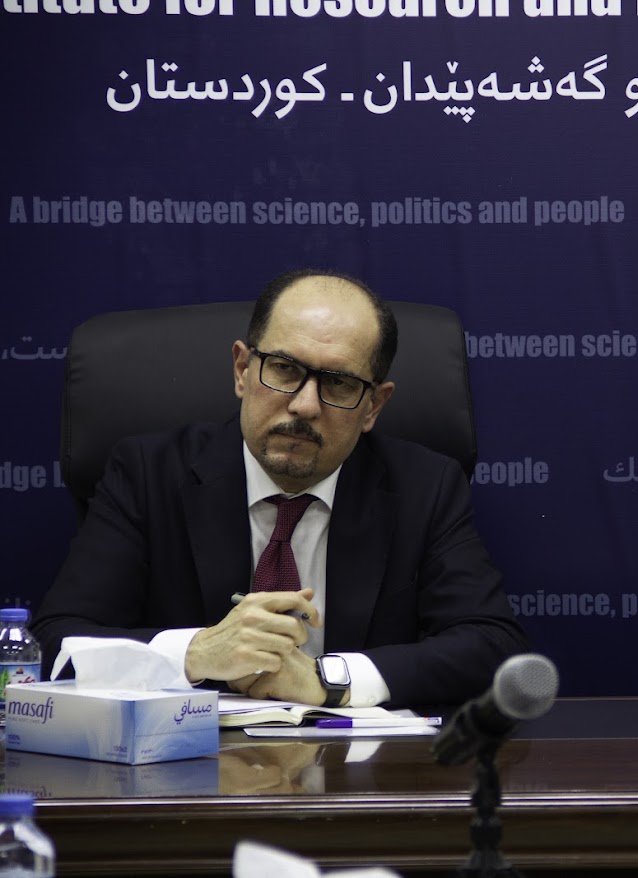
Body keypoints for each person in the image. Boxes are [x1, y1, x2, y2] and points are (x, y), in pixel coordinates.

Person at [34, 270, 529, 708]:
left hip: (358, 769)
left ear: (374, 407)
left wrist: (328, 679)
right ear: (242, 370)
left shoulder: (425, 487)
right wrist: (195, 652)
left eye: (338, 383)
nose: (305, 406)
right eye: (284, 369)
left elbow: (493, 647)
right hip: (192, 763)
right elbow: (56, 643)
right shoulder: (148, 474)